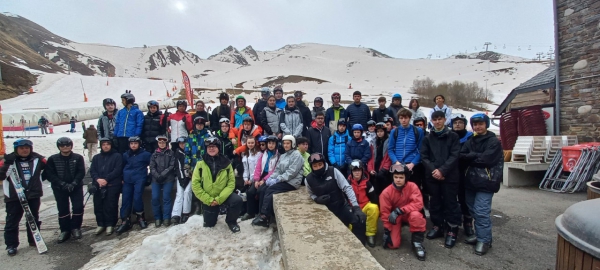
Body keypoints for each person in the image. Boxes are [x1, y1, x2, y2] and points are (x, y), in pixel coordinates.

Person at [460, 113, 503, 256]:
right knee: (472, 210)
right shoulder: (471, 140)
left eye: (480, 124)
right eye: (475, 125)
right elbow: (461, 156)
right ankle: (480, 235)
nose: (478, 127)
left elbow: (486, 160)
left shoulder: (493, 142)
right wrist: (474, 156)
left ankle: (484, 240)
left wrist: (471, 156)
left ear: (486, 124)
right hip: (470, 181)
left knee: (481, 211)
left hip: (486, 182)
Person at [420, 110, 461, 248]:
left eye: (440, 119)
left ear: (444, 120)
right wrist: (434, 170)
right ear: (432, 121)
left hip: (449, 176)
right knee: (435, 202)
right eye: (435, 119)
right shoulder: (427, 138)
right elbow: (424, 156)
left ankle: (452, 229)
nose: (437, 122)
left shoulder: (453, 137)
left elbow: (455, 155)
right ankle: (438, 225)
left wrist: (443, 170)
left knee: (450, 202)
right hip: (432, 176)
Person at [305, 153, 367, 245]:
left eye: (320, 165)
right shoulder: (308, 179)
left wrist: (356, 207)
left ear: (324, 163)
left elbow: (347, 188)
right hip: (325, 212)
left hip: (341, 206)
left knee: (359, 220)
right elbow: (311, 194)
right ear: (311, 167)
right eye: (315, 166)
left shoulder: (333, 171)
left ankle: (360, 246)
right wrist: (317, 199)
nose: (318, 167)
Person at [0, 139, 46, 256]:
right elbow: (1, 176)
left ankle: (34, 239)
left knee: (33, 218)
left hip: (33, 194)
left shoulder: (37, 159)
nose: (25, 150)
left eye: (27, 148)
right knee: (12, 220)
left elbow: (48, 170)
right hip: (15, 196)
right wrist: (7, 164)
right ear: (16, 149)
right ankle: (11, 245)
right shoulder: (8, 160)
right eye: (22, 148)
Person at [191, 137, 242, 233]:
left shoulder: (227, 163)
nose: (211, 149)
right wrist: (209, 200)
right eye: (209, 147)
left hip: (223, 195)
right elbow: (195, 184)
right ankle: (212, 213)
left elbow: (231, 183)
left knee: (237, 200)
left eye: (214, 146)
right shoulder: (200, 164)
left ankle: (231, 221)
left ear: (218, 148)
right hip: (208, 197)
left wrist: (219, 199)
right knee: (209, 224)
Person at [252, 135, 303, 227]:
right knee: (263, 189)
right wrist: (271, 178)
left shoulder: (296, 154)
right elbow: (277, 170)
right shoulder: (283, 156)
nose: (286, 145)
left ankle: (265, 216)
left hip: (291, 182)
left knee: (270, 190)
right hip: (282, 179)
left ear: (293, 144)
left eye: (288, 143)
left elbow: (292, 172)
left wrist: (278, 179)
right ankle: (261, 214)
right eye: (284, 143)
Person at [380, 164, 426, 261]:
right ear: (392, 177)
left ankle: (417, 243)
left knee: (416, 215)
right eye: (396, 177)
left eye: (401, 177)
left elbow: (418, 204)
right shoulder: (386, 192)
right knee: (393, 245)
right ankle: (396, 230)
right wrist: (387, 230)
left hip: (408, 213)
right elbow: (385, 212)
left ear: (406, 177)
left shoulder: (413, 186)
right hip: (394, 217)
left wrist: (401, 210)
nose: (398, 180)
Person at [44, 137, 86, 243]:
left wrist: (74, 183)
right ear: (59, 147)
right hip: (59, 188)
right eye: (62, 146)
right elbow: (50, 174)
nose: (65, 147)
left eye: (67, 145)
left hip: (75, 187)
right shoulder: (53, 159)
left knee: (78, 207)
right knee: (63, 209)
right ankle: (65, 230)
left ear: (71, 146)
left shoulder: (78, 157)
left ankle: (76, 227)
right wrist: (61, 184)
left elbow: (81, 172)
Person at [116, 136, 152, 235]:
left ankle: (140, 217)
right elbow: (122, 166)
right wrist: (122, 178)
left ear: (139, 144)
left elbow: (152, 165)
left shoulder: (145, 154)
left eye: (135, 143)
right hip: (127, 179)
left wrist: (149, 177)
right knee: (126, 199)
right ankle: (125, 219)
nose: (133, 145)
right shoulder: (126, 155)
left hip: (139, 178)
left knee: (137, 197)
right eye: (131, 144)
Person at [90, 137, 123, 236]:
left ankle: (110, 224)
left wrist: (106, 179)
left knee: (111, 205)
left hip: (112, 184)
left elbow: (117, 170)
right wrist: (98, 179)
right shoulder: (96, 158)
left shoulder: (117, 156)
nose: (106, 146)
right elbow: (92, 170)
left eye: (107, 144)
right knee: (98, 205)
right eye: (103, 144)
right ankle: (100, 224)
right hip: (98, 184)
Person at [387, 109, 424, 196]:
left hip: (413, 166)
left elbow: (421, 150)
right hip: (398, 164)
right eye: (401, 118)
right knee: (398, 191)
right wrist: (396, 162)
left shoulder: (418, 131)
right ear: (398, 119)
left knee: (413, 191)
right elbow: (390, 149)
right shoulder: (394, 131)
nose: (403, 120)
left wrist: (413, 163)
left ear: (410, 118)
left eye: (406, 118)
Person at [243, 135, 280, 221]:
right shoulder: (264, 154)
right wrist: (256, 180)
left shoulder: (278, 156)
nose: (270, 145)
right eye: (269, 143)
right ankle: (250, 212)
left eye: (273, 143)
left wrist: (264, 180)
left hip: (270, 177)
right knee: (250, 192)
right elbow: (258, 167)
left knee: (261, 191)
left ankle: (261, 214)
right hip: (261, 175)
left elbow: (274, 170)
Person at [451, 113, 475, 237]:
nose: (458, 124)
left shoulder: (470, 137)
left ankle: (468, 222)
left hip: (465, 172)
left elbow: (473, 154)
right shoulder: (449, 136)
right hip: (451, 172)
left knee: (465, 199)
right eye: (455, 123)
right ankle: (452, 223)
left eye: (460, 122)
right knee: (451, 199)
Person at [347, 160, 379, 247]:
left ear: (362, 171)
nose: (357, 172)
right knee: (351, 229)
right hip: (353, 208)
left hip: (365, 206)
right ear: (351, 171)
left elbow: (374, 199)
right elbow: (344, 198)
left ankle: (370, 234)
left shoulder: (367, 183)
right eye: (354, 170)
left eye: (359, 170)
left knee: (374, 208)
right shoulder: (347, 183)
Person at [149, 135, 175, 227]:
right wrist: (157, 175)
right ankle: (157, 218)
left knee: (166, 197)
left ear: (166, 143)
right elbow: (152, 167)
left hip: (168, 178)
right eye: (160, 142)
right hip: (156, 179)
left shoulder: (171, 153)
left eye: (163, 142)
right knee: (155, 198)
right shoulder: (154, 154)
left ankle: (166, 218)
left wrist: (163, 174)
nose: (162, 144)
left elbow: (172, 166)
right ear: (158, 143)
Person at [368, 122, 391, 200]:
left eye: (381, 131)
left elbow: (388, 158)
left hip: (385, 172)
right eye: (378, 131)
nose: (379, 133)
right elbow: (371, 157)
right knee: (376, 192)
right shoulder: (373, 142)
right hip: (375, 170)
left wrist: (384, 169)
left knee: (385, 192)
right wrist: (370, 169)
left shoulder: (389, 142)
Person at [171, 136, 192, 225]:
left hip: (190, 176)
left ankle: (186, 212)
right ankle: (176, 214)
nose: (183, 145)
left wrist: (188, 177)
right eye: (181, 143)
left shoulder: (190, 152)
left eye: (184, 143)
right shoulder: (177, 153)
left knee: (187, 192)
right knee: (179, 194)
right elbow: (177, 168)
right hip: (181, 177)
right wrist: (182, 179)